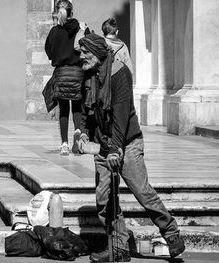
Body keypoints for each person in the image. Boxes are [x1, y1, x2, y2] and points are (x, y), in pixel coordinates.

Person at [77, 33, 185, 262]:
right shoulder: (87, 75)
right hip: (103, 145)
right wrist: (84, 134)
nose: (82, 56)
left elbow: (121, 116)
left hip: (127, 141)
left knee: (142, 192)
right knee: (104, 199)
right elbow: (85, 111)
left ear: (97, 53)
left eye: (85, 52)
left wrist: (116, 149)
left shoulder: (119, 73)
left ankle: (171, 232)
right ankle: (119, 248)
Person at [45, 0, 85, 156]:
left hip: (61, 73)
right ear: (72, 13)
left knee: (63, 109)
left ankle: (64, 144)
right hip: (77, 73)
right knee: (77, 106)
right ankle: (78, 135)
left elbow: (48, 50)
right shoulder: (80, 29)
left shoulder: (54, 31)